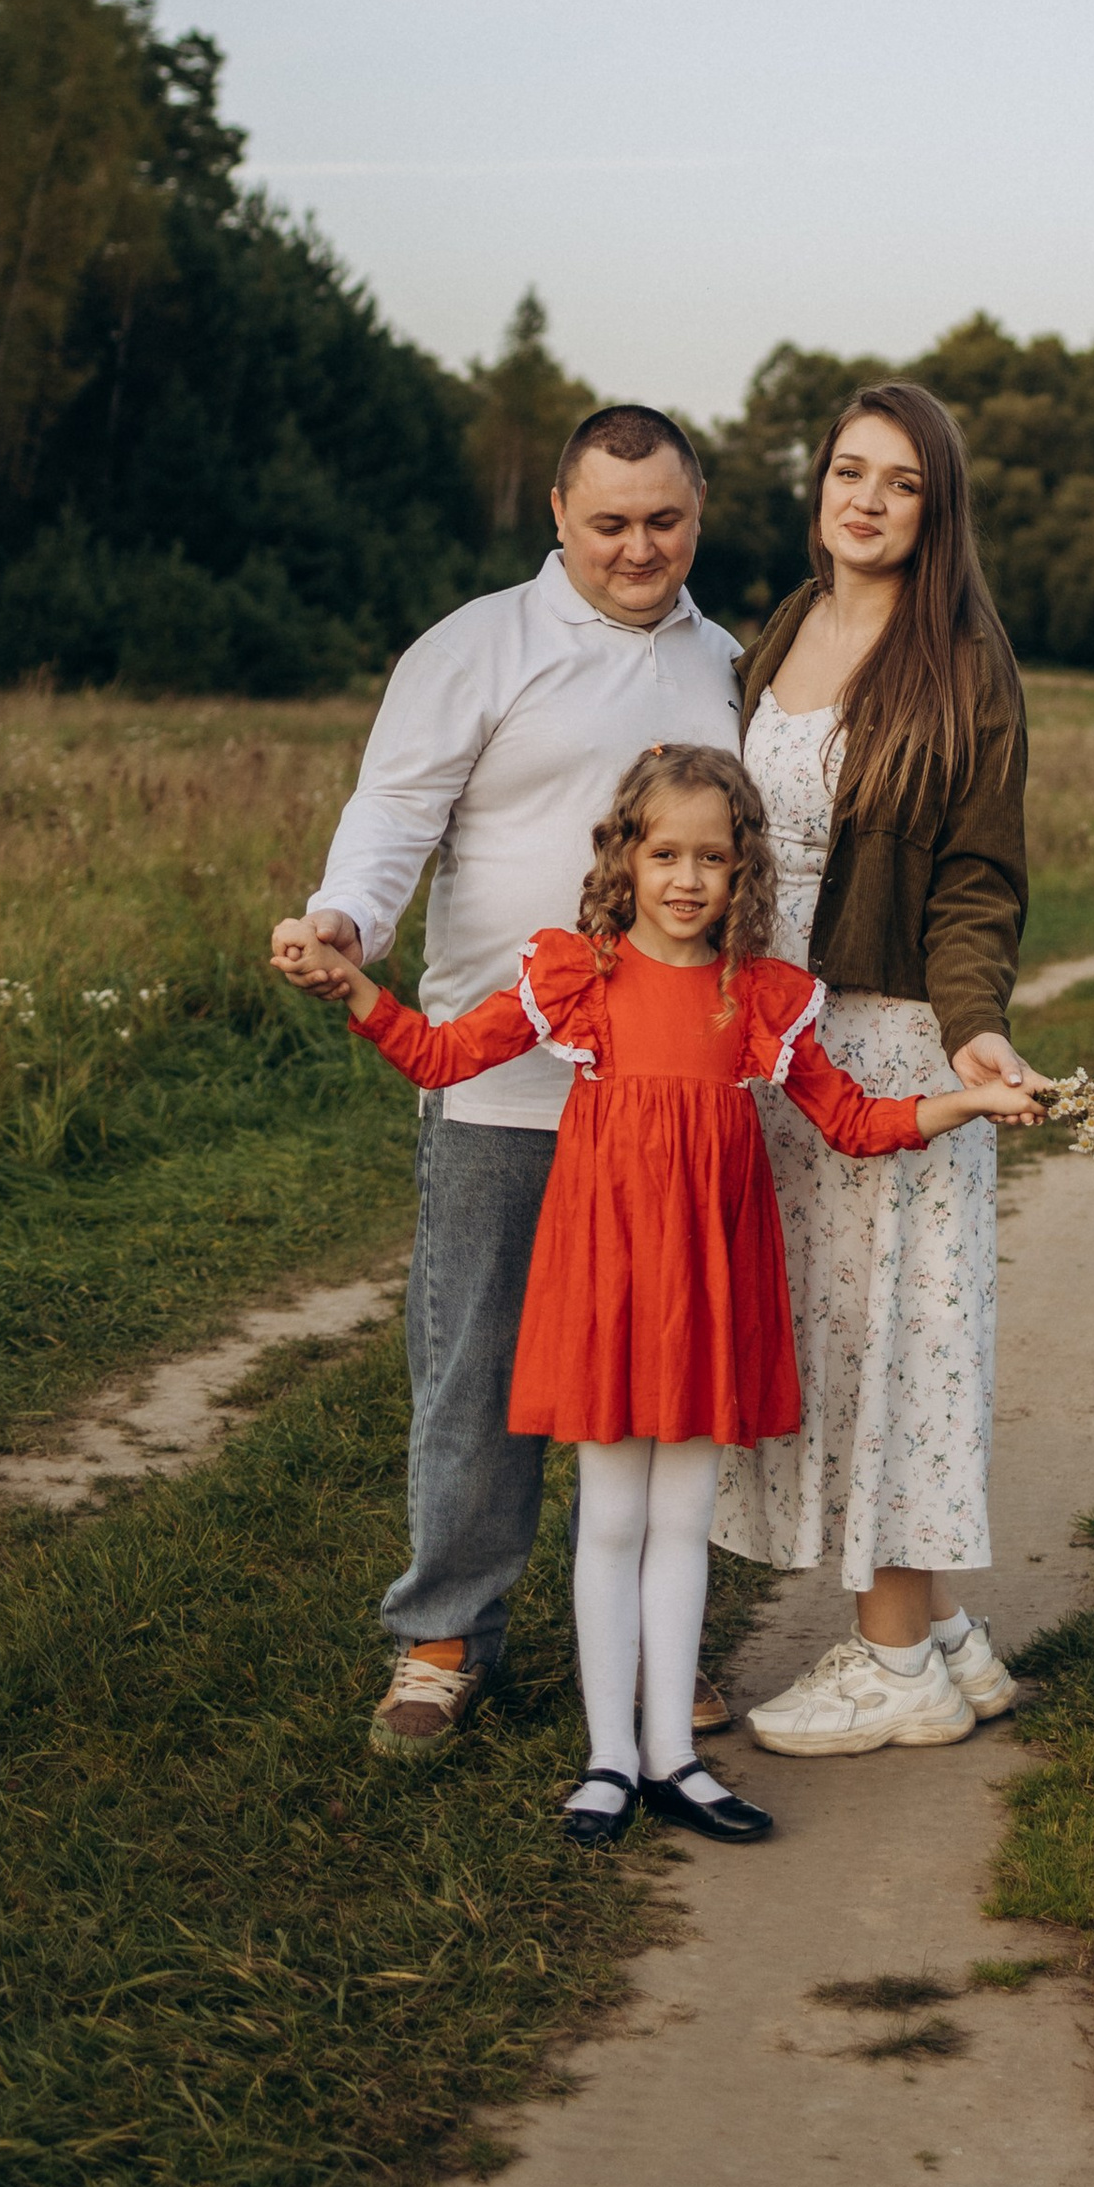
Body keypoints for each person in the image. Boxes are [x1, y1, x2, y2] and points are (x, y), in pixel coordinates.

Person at [277, 743, 1040, 1845]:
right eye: (664, 852)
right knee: (612, 1522)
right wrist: (355, 988)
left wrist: (968, 1105)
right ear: (623, 859)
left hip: (709, 1285)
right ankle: (608, 1759)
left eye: (713, 859)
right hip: (604, 1279)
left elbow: (855, 1122)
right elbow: (442, 1058)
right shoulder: (575, 977)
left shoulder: (762, 998)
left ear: (743, 875)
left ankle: (676, 1760)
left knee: (680, 1519)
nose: (686, 879)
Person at [269, 404, 740, 1763]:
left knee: (657, 1374)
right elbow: (395, 811)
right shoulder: (477, 646)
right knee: (477, 1366)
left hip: (668, 1099)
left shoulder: (728, 664)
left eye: (664, 520)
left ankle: (653, 1640)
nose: (639, 548)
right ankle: (442, 1640)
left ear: (697, 514)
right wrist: (347, 919)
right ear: (557, 515)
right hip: (506, 1087)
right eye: (610, 523)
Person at [716, 381, 1035, 1758]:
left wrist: (970, 1025)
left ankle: (894, 1662)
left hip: (888, 1032)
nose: (867, 499)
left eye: (900, 483)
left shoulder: (960, 661)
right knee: (841, 1343)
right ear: (819, 487)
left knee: (901, 1343)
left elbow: (977, 878)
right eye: (850, 471)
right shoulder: (787, 628)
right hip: (776, 1037)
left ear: (936, 507)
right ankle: (945, 1632)